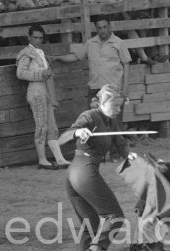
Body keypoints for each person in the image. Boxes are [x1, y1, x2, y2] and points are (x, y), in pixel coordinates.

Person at [58, 84, 137, 251]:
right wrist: (78, 133)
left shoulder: (112, 121)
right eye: (116, 105)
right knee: (115, 216)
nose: (119, 109)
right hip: (83, 171)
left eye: (120, 106)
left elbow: (120, 144)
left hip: (76, 175)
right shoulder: (90, 116)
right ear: (102, 102)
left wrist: (130, 156)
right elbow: (63, 137)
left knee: (90, 228)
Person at [54, 15, 132, 162]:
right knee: (94, 123)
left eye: (105, 27)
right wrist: (57, 58)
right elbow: (76, 57)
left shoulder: (119, 43)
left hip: (112, 91)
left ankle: (115, 155)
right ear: (96, 28)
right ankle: (97, 154)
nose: (102, 30)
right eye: (99, 28)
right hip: (95, 90)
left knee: (115, 123)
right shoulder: (90, 44)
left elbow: (127, 64)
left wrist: (125, 88)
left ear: (110, 27)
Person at [16, 25, 70, 170]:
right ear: (29, 37)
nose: (38, 40)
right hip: (35, 90)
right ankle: (42, 159)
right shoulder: (26, 53)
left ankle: (59, 158)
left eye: (40, 38)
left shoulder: (40, 52)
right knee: (41, 125)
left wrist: (53, 97)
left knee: (51, 125)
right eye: (35, 37)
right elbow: (20, 73)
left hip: (44, 90)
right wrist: (40, 75)